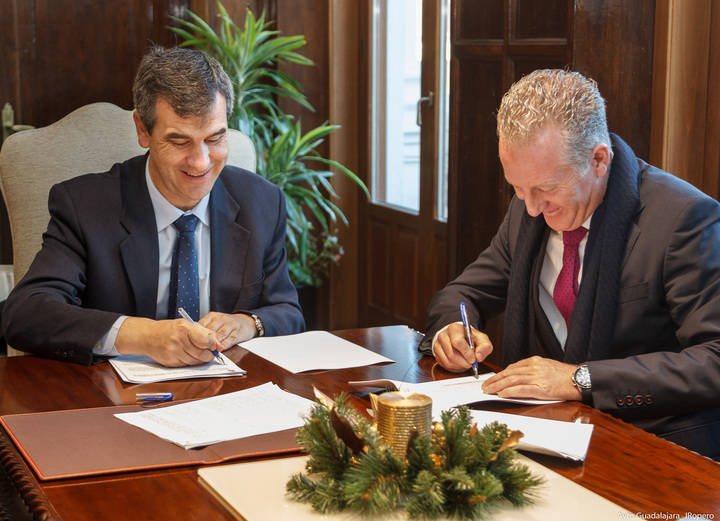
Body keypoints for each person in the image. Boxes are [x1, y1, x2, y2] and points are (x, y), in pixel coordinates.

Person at [420, 69, 720, 459]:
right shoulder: (528, 212)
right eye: (517, 188)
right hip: (546, 433)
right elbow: (463, 293)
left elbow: (713, 359)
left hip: (654, 447)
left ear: (599, 160)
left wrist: (581, 379)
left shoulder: (682, 218)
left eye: (546, 188)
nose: (532, 208)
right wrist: (452, 330)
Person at [2, 46, 304, 366]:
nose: (201, 162)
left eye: (215, 139)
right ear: (143, 130)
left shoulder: (261, 202)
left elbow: (288, 313)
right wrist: (142, 335)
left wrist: (248, 323)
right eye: (179, 141)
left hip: (225, 389)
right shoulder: (85, 206)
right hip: (112, 391)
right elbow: (26, 313)